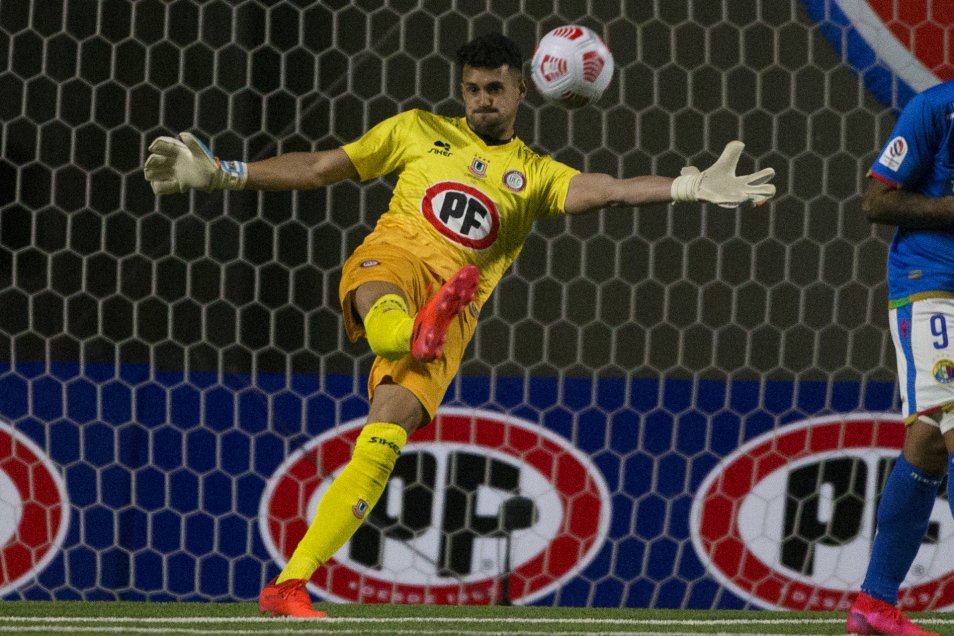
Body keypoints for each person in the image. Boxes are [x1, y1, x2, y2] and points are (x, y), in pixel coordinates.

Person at [143, 32, 775, 618]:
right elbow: (319, 168)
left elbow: (606, 188)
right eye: (472, 89)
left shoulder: (536, 175)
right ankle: (413, 328)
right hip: (391, 263)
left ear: (523, 89)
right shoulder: (416, 130)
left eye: (495, 89)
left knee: (383, 436)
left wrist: (685, 187)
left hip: (455, 305)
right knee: (386, 304)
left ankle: (288, 585)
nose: (482, 101)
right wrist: (225, 173)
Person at [846, 81, 954, 636]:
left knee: (930, 440)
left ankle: (873, 603)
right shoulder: (935, 107)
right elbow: (876, 199)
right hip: (930, 281)